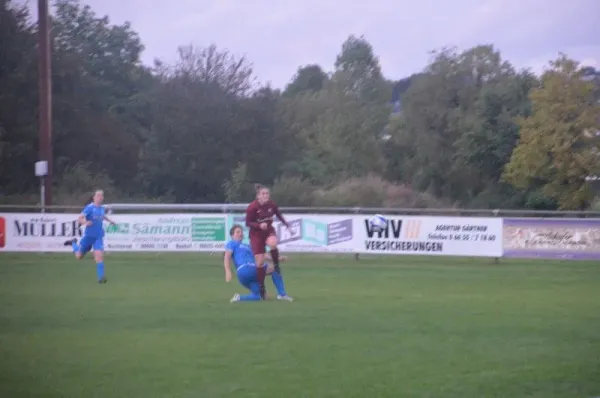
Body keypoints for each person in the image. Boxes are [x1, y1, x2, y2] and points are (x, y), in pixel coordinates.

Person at [224, 224, 293, 302]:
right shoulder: (232, 243)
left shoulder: (248, 246)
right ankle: (282, 294)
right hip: (245, 268)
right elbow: (227, 257)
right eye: (238, 232)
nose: (241, 233)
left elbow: (263, 255)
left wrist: (278, 258)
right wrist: (227, 270)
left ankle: (239, 298)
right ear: (232, 235)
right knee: (274, 269)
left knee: (261, 297)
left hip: (245, 276)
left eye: (241, 232)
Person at [245, 183, 289, 299]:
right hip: (256, 236)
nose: (266, 195)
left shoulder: (271, 204)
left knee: (273, 243)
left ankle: (276, 265)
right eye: (263, 194)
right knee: (259, 264)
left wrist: (286, 225)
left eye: (267, 193)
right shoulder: (252, 207)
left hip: (268, 231)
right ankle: (261, 287)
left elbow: (278, 214)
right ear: (258, 196)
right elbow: (248, 222)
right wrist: (259, 225)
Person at [63, 189, 117, 284]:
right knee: (79, 256)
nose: (100, 197)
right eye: (98, 196)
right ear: (94, 197)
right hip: (88, 237)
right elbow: (80, 218)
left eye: (102, 196)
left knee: (99, 257)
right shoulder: (89, 207)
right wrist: (85, 222)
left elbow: (102, 216)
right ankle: (73, 243)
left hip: (98, 237)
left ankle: (101, 278)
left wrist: (110, 221)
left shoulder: (102, 208)